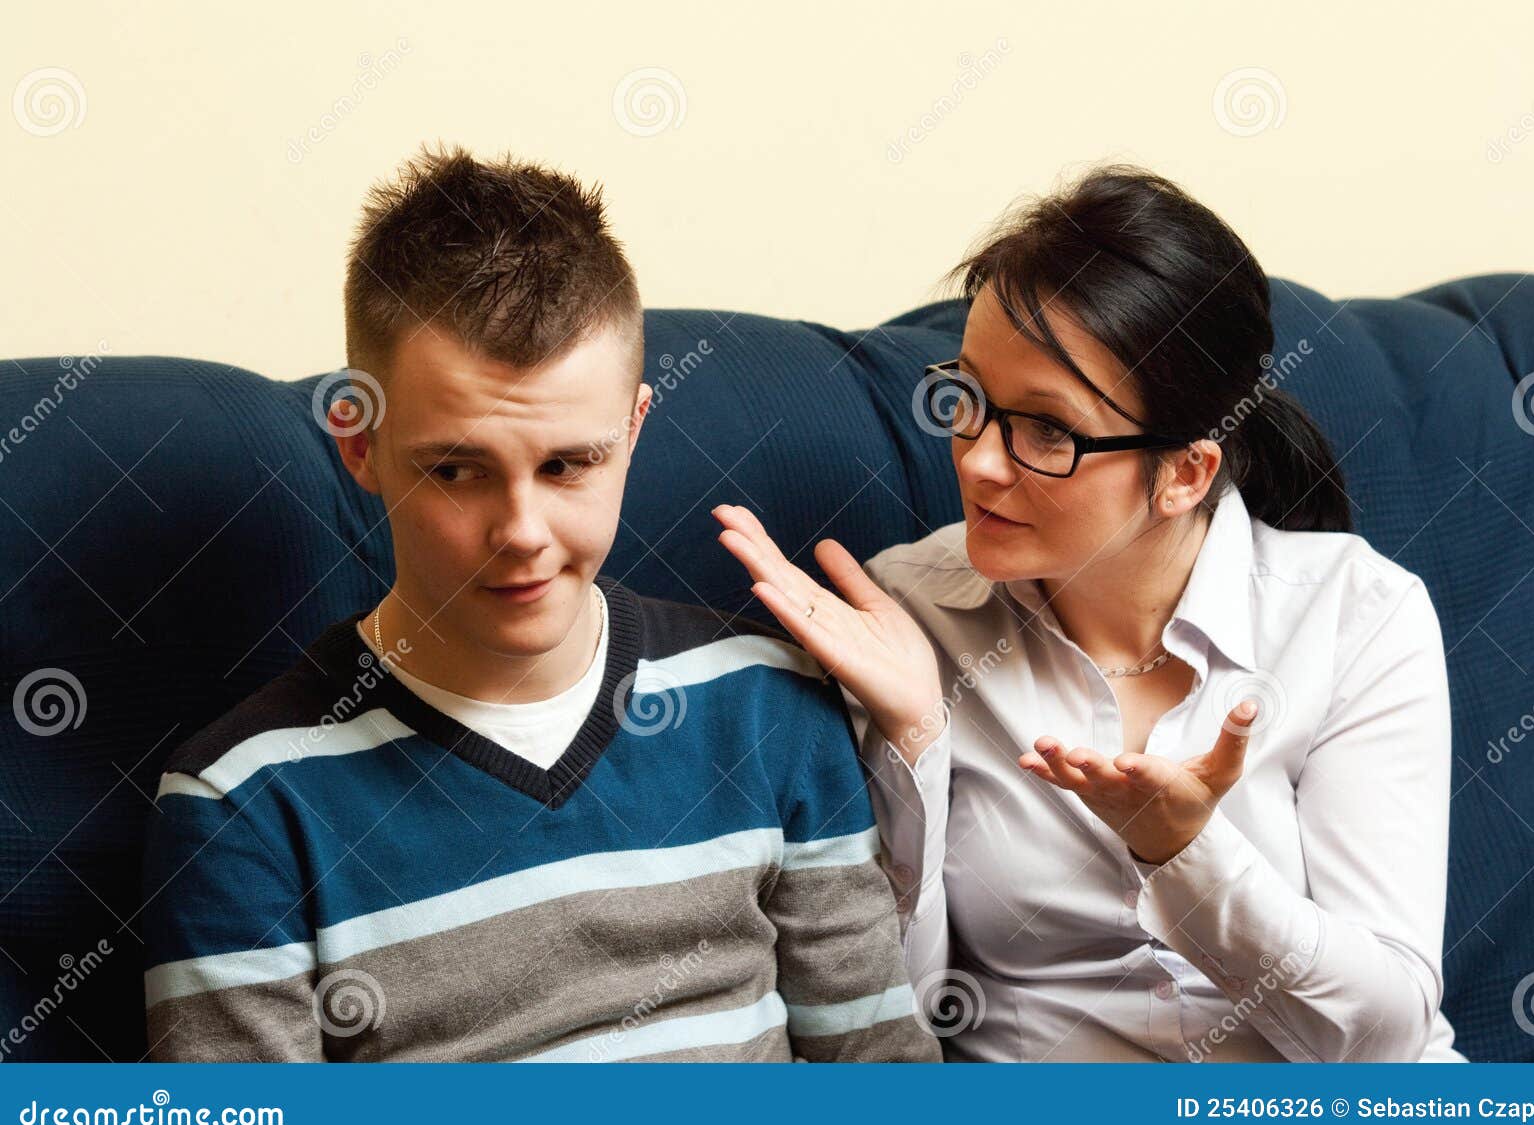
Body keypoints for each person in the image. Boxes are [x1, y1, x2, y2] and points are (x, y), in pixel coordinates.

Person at [140, 144, 939, 1063]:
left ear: (634, 428)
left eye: (567, 464)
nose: (522, 530)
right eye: (456, 470)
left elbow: (880, 1074)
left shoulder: (769, 697)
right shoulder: (244, 798)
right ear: (358, 444)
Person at [713, 166, 1462, 1062]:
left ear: (1186, 472)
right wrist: (914, 735)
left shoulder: (1358, 617)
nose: (981, 462)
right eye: (969, 399)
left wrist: (1183, 851)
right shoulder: (902, 620)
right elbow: (890, 1037)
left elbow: (1387, 1037)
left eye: (1047, 432)